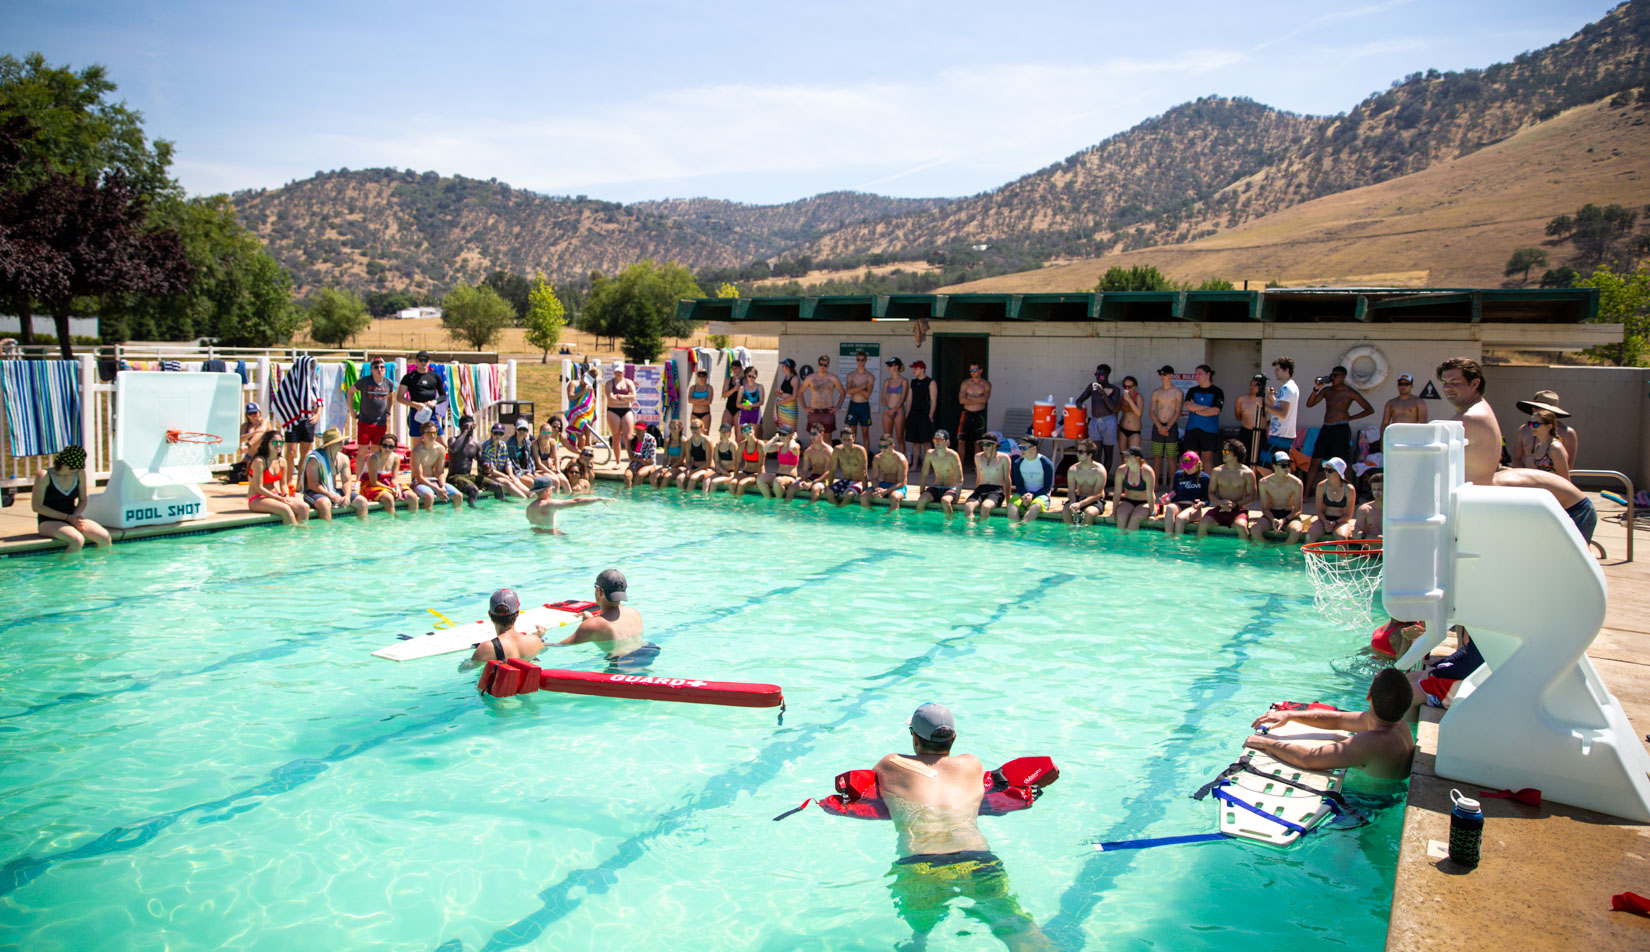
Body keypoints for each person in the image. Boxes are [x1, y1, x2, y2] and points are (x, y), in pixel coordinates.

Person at [874, 703, 1052, 952]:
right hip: (978, 861)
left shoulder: (890, 764)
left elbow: (868, 795)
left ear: (914, 737)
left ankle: (919, 941)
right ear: (953, 737)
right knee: (1014, 926)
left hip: (921, 865)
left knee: (920, 932)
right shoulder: (972, 765)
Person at [1246, 668, 1415, 780]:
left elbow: (1309, 759)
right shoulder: (1399, 727)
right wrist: (1290, 715)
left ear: (1368, 695)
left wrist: (1267, 743)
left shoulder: (1371, 742)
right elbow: (1338, 719)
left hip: (1369, 806)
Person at [547, 569, 657, 672]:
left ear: (599, 591)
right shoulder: (634, 612)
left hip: (621, 666)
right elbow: (612, 627)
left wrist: (539, 638)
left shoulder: (593, 625)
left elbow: (559, 645)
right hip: (646, 655)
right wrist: (592, 620)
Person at [1304, 366, 1374, 492]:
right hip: (1326, 428)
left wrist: (1351, 417)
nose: (1333, 378)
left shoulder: (1349, 392)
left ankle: (1343, 493)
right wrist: (1316, 388)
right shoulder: (1327, 390)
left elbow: (1369, 409)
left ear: (1343, 377)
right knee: (1315, 461)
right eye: (1332, 375)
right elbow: (1309, 404)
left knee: (1339, 463)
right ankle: (1306, 494)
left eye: (1336, 375)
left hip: (1340, 428)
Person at [31, 444, 111, 552]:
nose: (73, 470)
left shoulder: (79, 473)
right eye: (71, 467)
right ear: (61, 462)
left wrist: (75, 515)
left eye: (77, 467)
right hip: (48, 521)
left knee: (104, 537)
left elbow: (83, 500)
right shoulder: (44, 476)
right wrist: (67, 518)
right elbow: (37, 507)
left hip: (73, 517)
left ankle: (98, 567)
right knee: (76, 540)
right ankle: (67, 569)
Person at [1491, 465, 1598, 544]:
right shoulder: (1495, 480)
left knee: (1572, 563)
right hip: (1565, 507)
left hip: (1577, 510)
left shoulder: (1501, 486)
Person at [1437, 357, 1499, 485]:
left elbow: (1430, 462)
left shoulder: (1469, 418)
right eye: (1444, 382)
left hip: (1468, 499)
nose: (1447, 388)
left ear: (1474, 384)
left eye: (1455, 382)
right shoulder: (1480, 409)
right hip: (1471, 496)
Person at [302, 426, 369, 521]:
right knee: (325, 503)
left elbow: (346, 480)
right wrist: (331, 496)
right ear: (330, 445)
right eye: (338, 442)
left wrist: (347, 496)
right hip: (314, 492)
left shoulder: (343, 458)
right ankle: (328, 532)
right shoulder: (315, 459)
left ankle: (361, 529)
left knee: (362, 502)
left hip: (333, 490)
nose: (342, 444)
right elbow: (314, 485)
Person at [466, 589, 547, 666]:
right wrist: (539, 636)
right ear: (517, 613)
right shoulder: (536, 641)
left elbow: (464, 669)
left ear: (490, 614)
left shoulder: (487, 648)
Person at [246, 431, 310, 526]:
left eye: (281, 442)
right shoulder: (259, 461)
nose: (279, 444)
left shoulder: (282, 461)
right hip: (257, 499)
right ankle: (292, 536)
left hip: (276, 496)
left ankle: (302, 534)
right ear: (267, 443)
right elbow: (258, 488)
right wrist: (278, 498)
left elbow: (283, 484)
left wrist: (286, 495)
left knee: (304, 507)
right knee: (285, 509)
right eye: (275, 442)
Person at [1198, 440, 1256, 538]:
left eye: (1227, 451)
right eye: (1223, 451)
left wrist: (1235, 505)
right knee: (1202, 524)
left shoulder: (1247, 473)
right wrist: (1220, 503)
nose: (1224, 453)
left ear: (1236, 454)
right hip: (1219, 509)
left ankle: (1245, 552)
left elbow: (1252, 497)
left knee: (1241, 527)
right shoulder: (1217, 471)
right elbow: (1211, 493)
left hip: (1237, 510)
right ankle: (1201, 550)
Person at [1071, 363, 1121, 471]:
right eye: (1096, 374)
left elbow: (1112, 407)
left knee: (1108, 451)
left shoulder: (1114, 389)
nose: (1098, 377)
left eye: (1101, 375)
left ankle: (1105, 479)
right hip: (1094, 421)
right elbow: (1080, 399)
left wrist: (1102, 392)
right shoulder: (1092, 386)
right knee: (1096, 451)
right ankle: (1098, 475)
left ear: (1107, 375)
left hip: (1109, 421)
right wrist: (1079, 404)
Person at [1512, 389, 1579, 469]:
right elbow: (1516, 459)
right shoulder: (1524, 430)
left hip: (1551, 480)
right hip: (1526, 479)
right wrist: (1525, 476)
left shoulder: (1567, 433)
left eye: (1538, 407)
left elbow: (1567, 466)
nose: (1534, 410)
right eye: (1533, 407)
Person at [1250, 451, 1306, 545]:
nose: (1287, 468)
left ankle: (1283, 549)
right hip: (1271, 514)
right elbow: (1265, 508)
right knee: (1255, 530)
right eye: (1283, 465)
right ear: (1274, 466)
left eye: (1288, 465)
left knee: (1296, 531)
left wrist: (1283, 520)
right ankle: (1268, 549)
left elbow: (1297, 510)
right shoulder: (1264, 483)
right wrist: (1273, 520)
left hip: (1289, 515)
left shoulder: (1296, 483)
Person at [353, 357, 395, 472]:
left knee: (376, 452)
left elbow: (391, 397)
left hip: (380, 423)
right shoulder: (365, 381)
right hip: (365, 422)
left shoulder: (388, 383)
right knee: (362, 451)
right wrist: (352, 411)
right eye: (376, 367)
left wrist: (388, 411)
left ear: (385, 370)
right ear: (371, 369)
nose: (379, 369)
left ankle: (373, 476)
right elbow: (350, 392)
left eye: (382, 367)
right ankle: (358, 479)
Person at [525, 477, 609, 534]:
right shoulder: (549, 505)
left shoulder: (529, 507)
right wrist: (599, 499)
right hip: (551, 535)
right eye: (551, 489)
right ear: (547, 490)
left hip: (535, 534)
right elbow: (576, 502)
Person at [411, 423, 463, 511]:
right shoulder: (417, 451)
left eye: (434, 433)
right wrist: (437, 489)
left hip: (435, 481)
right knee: (430, 496)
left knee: (458, 496)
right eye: (428, 433)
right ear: (423, 434)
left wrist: (442, 486)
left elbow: (440, 472)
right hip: (419, 482)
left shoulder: (440, 449)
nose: (432, 436)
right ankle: (429, 519)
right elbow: (419, 477)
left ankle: (456, 520)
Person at [1182, 365, 1224, 473]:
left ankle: (1208, 486)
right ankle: (1191, 483)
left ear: (1208, 374)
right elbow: (1187, 405)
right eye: (1196, 374)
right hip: (1192, 428)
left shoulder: (1217, 391)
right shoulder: (1192, 390)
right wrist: (1205, 409)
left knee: (1207, 459)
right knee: (1191, 458)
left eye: (1200, 374)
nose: (1197, 376)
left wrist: (1196, 408)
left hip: (1209, 430)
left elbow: (1215, 411)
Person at [396, 350, 447, 438]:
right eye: (420, 360)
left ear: (429, 362)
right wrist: (415, 405)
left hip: (431, 413)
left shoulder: (435, 377)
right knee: (418, 444)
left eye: (425, 360)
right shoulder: (409, 377)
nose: (423, 362)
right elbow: (399, 397)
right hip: (416, 413)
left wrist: (434, 402)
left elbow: (443, 396)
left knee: (441, 443)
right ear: (416, 361)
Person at [1148, 366, 1183, 490]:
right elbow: (1151, 411)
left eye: (1164, 374)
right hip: (1158, 426)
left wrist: (1167, 426)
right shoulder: (1156, 392)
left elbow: (1178, 412)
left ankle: (1173, 485)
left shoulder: (1178, 392)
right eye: (1160, 374)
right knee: (1157, 457)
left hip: (1171, 427)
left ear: (1171, 375)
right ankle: (1155, 483)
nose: (1162, 376)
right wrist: (1159, 426)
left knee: (1171, 457)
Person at [361, 433, 414, 515]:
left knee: (412, 497)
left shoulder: (396, 458)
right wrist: (390, 489)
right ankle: (391, 521)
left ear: (394, 448)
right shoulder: (373, 458)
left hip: (388, 483)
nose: (387, 448)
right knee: (389, 498)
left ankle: (413, 520)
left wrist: (397, 488)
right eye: (385, 445)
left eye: (391, 446)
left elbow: (394, 479)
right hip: (371, 485)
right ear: (380, 446)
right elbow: (373, 482)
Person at [1306, 457, 1356, 542]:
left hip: (1341, 521)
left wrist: (1335, 523)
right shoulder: (1321, 486)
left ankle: (1343, 556)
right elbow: (1319, 511)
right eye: (1325, 469)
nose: (1326, 472)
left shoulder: (1349, 489)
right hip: (1324, 519)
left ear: (1339, 473)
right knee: (1309, 535)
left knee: (1342, 538)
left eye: (1330, 471)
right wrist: (1325, 521)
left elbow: (1348, 515)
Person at [915, 429, 963, 519]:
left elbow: (959, 478)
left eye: (940, 440)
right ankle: (920, 524)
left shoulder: (953, 455)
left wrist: (957, 497)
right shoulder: (930, 454)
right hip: (936, 487)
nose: (937, 442)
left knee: (945, 501)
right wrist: (922, 491)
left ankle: (949, 525)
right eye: (935, 440)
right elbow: (924, 474)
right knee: (921, 501)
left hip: (950, 488)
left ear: (947, 442)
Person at [1159, 451, 1209, 537]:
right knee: (1170, 508)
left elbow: (1208, 499)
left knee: (1180, 518)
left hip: (1193, 507)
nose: (1187, 469)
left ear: (1197, 464)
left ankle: (1178, 543)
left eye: (1189, 467)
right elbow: (1174, 492)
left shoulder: (1204, 478)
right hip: (1178, 505)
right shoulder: (1178, 475)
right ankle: (1168, 538)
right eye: (1185, 467)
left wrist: (1202, 503)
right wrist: (1168, 499)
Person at [964, 435, 1012, 522]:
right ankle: (970, 531)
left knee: (985, 507)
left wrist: (1008, 501)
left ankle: (984, 532)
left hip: (996, 490)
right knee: (968, 506)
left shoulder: (1004, 458)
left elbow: (1007, 479)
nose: (985, 447)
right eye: (983, 444)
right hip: (981, 489)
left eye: (988, 445)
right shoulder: (978, 457)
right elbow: (979, 477)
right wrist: (976, 492)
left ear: (995, 445)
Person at [1008, 438, 1054, 525]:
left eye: (1024, 448)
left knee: (1035, 506)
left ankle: (1025, 529)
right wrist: (1025, 495)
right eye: (1020, 447)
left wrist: (1032, 496)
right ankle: (1014, 532)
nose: (1021, 450)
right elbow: (1019, 485)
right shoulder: (1018, 463)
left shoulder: (1046, 463)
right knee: (1011, 505)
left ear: (1034, 448)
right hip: (1023, 494)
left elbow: (1047, 487)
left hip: (1041, 495)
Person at [1062, 440, 1108, 527]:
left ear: (1090, 455)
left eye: (1080, 452)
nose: (1077, 454)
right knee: (1065, 510)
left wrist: (1080, 504)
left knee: (1089, 513)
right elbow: (1071, 491)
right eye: (1077, 451)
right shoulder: (1073, 469)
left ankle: (1086, 537)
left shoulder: (1099, 470)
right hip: (1079, 498)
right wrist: (1072, 502)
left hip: (1095, 500)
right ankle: (1071, 534)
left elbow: (1098, 494)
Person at [1264, 355, 1301, 462]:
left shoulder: (1286, 388)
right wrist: (1272, 398)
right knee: (1280, 466)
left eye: (1278, 369)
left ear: (1286, 370)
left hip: (1280, 435)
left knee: (1263, 463)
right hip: (1284, 434)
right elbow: (1284, 409)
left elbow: (1283, 413)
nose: (1275, 372)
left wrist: (1264, 405)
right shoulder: (1291, 386)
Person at [1111, 447, 1156, 533]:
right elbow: (1117, 492)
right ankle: (1120, 543)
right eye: (1125, 456)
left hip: (1144, 502)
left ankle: (1132, 545)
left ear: (1137, 458)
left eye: (1128, 456)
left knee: (1136, 518)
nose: (1125, 458)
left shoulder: (1147, 471)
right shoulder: (1121, 470)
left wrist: (1152, 513)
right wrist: (1113, 512)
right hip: (1128, 500)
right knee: (1121, 516)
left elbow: (1150, 494)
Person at [479, 423, 531, 498]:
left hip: (498, 475)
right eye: (496, 433)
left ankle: (530, 495)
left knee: (515, 480)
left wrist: (510, 474)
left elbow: (507, 461)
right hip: (486, 476)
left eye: (500, 433)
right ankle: (523, 499)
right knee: (508, 482)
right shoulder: (486, 447)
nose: (498, 435)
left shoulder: (503, 445)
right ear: (491, 433)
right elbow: (489, 470)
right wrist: (506, 476)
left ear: (503, 435)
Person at [444, 414, 486, 505]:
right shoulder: (452, 440)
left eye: (472, 427)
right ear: (461, 427)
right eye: (467, 426)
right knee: (473, 489)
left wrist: (487, 466)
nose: (470, 429)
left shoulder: (476, 444)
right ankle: (472, 509)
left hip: (468, 476)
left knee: (496, 486)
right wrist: (465, 431)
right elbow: (454, 449)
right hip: (453, 477)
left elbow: (481, 462)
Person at [864, 433, 909, 515]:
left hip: (897, 486)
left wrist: (885, 491)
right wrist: (877, 489)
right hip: (883, 484)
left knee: (894, 498)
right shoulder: (877, 458)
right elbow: (874, 478)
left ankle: (892, 519)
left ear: (893, 445)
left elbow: (901, 483)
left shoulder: (900, 459)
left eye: (885, 446)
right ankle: (871, 515)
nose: (882, 449)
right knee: (863, 497)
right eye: (880, 446)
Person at [800, 354, 846, 436]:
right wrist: (804, 407)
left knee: (827, 439)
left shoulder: (833, 378)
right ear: (818, 364)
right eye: (821, 364)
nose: (823, 366)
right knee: (813, 440)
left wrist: (838, 407)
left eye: (825, 365)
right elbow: (800, 392)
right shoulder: (810, 378)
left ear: (828, 365)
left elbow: (843, 393)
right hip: (814, 411)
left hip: (828, 412)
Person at [957, 363, 992, 469]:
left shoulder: (985, 384)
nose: (972, 372)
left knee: (977, 442)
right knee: (961, 441)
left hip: (979, 415)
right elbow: (961, 400)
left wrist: (969, 397)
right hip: (967, 413)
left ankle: (978, 468)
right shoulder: (966, 383)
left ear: (980, 370)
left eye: (975, 370)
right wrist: (977, 398)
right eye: (971, 370)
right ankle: (959, 466)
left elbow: (984, 400)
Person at [904, 360, 939, 465]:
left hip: (924, 414)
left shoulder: (930, 382)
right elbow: (909, 399)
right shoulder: (913, 382)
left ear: (922, 369)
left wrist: (930, 415)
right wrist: (907, 414)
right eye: (913, 368)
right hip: (913, 414)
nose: (914, 370)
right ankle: (914, 465)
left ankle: (928, 465)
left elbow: (933, 400)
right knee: (915, 442)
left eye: (916, 368)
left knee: (926, 442)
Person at [791, 423, 835, 504]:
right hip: (812, 477)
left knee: (815, 488)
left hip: (825, 480)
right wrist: (803, 481)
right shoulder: (808, 451)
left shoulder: (829, 451)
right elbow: (804, 470)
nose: (812, 437)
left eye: (814, 434)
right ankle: (786, 507)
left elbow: (828, 473)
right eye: (811, 434)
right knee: (792, 487)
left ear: (822, 434)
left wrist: (812, 483)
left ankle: (811, 509)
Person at [1521, 408, 1571, 480]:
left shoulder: (1555, 448)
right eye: (1530, 423)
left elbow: (1565, 479)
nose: (1531, 427)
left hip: (1555, 489)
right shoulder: (1539, 446)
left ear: (1549, 426)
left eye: (1536, 424)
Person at [827, 426, 870, 506]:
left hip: (858, 481)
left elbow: (864, 471)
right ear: (841, 439)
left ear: (853, 438)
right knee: (829, 493)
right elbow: (832, 470)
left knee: (848, 496)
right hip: (845, 480)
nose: (847, 443)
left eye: (849, 440)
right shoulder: (837, 450)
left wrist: (865, 489)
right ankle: (838, 511)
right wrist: (829, 485)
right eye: (844, 440)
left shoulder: (860, 450)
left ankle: (840, 513)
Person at [1233, 374, 1268, 467]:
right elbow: (1238, 416)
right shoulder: (1241, 400)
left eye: (1255, 385)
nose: (1252, 387)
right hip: (1246, 433)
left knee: (1260, 461)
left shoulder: (1267, 400)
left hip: (1261, 434)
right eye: (1251, 385)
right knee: (1244, 459)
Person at [758, 428, 802, 500]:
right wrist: (775, 438)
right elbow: (765, 449)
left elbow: (791, 448)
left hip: (790, 477)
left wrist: (793, 438)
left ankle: (778, 501)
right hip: (779, 476)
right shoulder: (779, 446)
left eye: (784, 435)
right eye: (780, 434)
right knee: (760, 478)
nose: (782, 437)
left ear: (790, 435)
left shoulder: (796, 446)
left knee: (778, 481)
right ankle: (769, 499)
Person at [605, 361, 638, 458]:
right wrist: (625, 398)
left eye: (620, 371)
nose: (618, 373)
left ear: (624, 371)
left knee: (628, 437)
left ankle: (631, 459)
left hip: (626, 410)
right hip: (613, 410)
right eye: (616, 371)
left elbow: (633, 397)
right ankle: (618, 461)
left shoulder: (628, 382)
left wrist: (619, 396)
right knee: (616, 437)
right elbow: (610, 399)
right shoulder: (609, 383)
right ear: (613, 371)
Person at [844, 351, 875, 446]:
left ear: (865, 361)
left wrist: (855, 388)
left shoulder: (869, 376)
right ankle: (852, 457)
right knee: (851, 434)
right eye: (858, 360)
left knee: (865, 434)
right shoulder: (851, 375)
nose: (860, 362)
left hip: (864, 406)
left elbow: (867, 394)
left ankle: (864, 459)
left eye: (862, 360)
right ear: (856, 360)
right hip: (853, 405)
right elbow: (848, 391)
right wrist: (862, 387)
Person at [700, 422, 739, 494]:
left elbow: (735, 463)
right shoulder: (718, 445)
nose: (723, 434)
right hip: (721, 471)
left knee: (714, 482)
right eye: (721, 431)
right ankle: (705, 501)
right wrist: (721, 470)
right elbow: (717, 461)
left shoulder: (733, 445)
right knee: (706, 481)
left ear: (729, 433)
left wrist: (725, 470)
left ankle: (714, 503)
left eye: (725, 432)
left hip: (731, 472)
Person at [680, 418, 715, 491]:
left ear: (701, 428)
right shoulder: (688, 442)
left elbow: (708, 463)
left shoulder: (707, 441)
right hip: (694, 467)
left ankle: (691, 500)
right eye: (692, 428)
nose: (694, 430)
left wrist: (694, 471)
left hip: (707, 468)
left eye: (696, 428)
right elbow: (688, 460)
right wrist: (689, 469)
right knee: (679, 479)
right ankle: (683, 498)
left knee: (692, 479)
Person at [733, 423, 766, 498]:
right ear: (743, 434)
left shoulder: (760, 445)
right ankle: (734, 503)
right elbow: (738, 463)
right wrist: (735, 476)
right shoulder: (742, 445)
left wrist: (760, 480)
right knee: (732, 484)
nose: (747, 431)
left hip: (756, 473)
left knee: (741, 484)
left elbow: (761, 464)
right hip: (745, 472)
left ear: (753, 430)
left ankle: (739, 504)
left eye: (749, 428)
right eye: (745, 430)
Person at [882, 358, 908, 452]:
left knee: (900, 437)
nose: (889, 367)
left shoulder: (904, 381)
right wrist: (886, 408)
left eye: (891, 365)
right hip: (887, 411)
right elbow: (883, 397)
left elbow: (903, 398)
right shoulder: (887, 381)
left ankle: (901, 461)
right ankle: (888, 458)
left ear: (897, 366)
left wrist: (894, 409)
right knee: (887, 437)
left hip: (899, 411)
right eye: (888, 365)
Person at [652, 419, 686, 489]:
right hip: (670, 466)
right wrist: (664, 467)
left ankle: (662, 495)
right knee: (653, 475)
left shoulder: (683, 441)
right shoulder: (667, 441)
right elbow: (665, 457)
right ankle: (655, 493)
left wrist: (669, 468)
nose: (672, 430)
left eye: (675, 428)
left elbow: (681, 459)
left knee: (666, 477)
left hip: (681, 466)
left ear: (680, 429)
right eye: (671, 427)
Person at [1117, 375, 1144, 454]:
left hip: (1134, 431)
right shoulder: (1122, 397)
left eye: (1130, 386)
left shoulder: (1138, 397)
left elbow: (1139, 413)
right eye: (1125, 386)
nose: (1127, 389)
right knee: (1123, 456)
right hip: (1123, 428)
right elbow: (1116, 411)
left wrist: (1129, 400)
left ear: (1135, 386)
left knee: (1133, 456)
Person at [1353, 472, 1384, 539]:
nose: (1376, 493)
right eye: (1374, 490)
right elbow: (1355, 534)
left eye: (1379, 489)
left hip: (1390, 548)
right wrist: (1379, 539)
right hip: (1369, 548)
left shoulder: (1395, 510)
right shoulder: (1365, 510)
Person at [736, 365, 766, 436]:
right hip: (744, 412)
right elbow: (737, 404)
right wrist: (743, 406)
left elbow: (761, 402)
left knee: (753, 435)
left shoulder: (759, 387)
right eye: (750, 376)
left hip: (755, 412)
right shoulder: (742, 388)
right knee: (740, 436)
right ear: (746, 375)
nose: (751, 378)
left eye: (753, 376)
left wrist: (751, 405)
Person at [774, 358, 800, 435]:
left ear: (787, 367)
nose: (782, 367)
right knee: (783, 429)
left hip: (790, 408)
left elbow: (794, 396)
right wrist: (779, 394)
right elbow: (786, 392)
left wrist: (780, 401)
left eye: (783, 366)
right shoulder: (786, 377)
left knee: (791, 430)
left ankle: (792, 446)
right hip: (783, 407)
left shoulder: (795, 379)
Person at [720, 361, 744, 431]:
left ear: (740, 369)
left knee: (739, 434)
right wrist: (734, 389)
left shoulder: (744, 380)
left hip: (740, 409)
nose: (734, 370)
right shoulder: (728, 380)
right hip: (729, 408)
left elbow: (747, 396)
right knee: (724, 430)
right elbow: (724, 395)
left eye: (736, 368)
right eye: (733, 368)